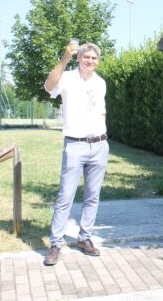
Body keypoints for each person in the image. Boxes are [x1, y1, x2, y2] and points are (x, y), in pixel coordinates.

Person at [43, 41, 109, 265]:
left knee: (92, 196)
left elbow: (101, 112)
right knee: (65, 197)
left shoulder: (101, 83)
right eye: (86, 57)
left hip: (99, 146)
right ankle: (56, 244)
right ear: (79, 58)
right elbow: (48, 86)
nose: (90, 61)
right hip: (75, 145)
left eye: (94, 58)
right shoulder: (67, 78)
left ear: (98, 61)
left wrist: (103, 136)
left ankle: (85, 238)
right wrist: (64, 58)